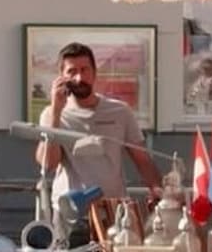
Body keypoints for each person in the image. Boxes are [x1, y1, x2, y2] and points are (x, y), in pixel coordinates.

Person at [36, 42, 162, 215]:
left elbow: (142, 159)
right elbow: (48, 164)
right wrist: (56, 113)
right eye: (72, 72)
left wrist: (156, 189)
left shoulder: (120, 111)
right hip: (71, 210)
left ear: (95, 73)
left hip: (113, 207)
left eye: (84, 70)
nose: (79, 78)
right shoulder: (51, 114)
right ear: (61, 77)